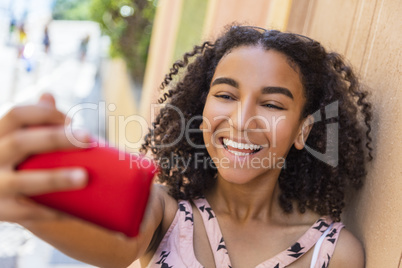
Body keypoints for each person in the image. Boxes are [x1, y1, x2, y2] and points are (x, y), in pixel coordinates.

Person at [0, 25, 372, 267]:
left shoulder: (333, 253)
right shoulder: (167, 213)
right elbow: (119, 244)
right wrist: (30, 210)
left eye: (272, 104)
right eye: (226, 95)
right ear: (202, 109)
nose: (242, 121)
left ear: (303, 130)